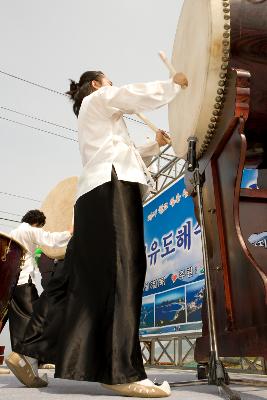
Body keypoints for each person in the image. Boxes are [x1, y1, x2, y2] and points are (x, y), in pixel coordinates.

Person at [6, 70, 187, 397]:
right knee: (124, 270)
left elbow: (125, 153)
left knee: (76, 280)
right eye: (109, 81)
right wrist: (173, 85)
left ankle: (28, 351)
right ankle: (121, 370)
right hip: (111, 191)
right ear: (95, 84)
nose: (113, 86)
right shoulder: (99, 100)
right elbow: (130, 95)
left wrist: (153, 144)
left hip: (93, 195)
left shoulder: (101, 124)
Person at [6, 209, 71, 385]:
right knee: (35, 324)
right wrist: (70, 232)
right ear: (36, 223)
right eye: (41, 226)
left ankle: (25, 365)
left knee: (20, 325)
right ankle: (27, 365)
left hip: (12, 286)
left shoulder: (13, 232)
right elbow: (49, 239)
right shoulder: (28, 230)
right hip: (25, 283)